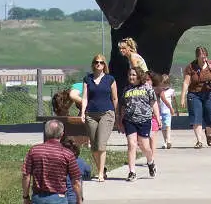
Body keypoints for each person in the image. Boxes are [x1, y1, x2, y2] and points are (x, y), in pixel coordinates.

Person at [21, 119, 83, 203]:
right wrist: (79, 200)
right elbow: (76, 182)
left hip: (38, 198)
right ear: (62, 134)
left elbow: (26, 176)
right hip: (59, 198)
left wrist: (26, 197)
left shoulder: (34, 151)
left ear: (46, 133)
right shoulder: (67, 154)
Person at [80, 54, 118, 182]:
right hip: (91, 114)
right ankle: (103, 169)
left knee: (101, 144)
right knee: (94, 146)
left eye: (101, 62)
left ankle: (101, 173)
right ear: (93, 64)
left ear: (104, 65)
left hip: (106, 113)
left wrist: (116, 114)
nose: (99, 64)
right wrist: (82, 113)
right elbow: (85, 97)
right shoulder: (87, 79)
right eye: (96, 62)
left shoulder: (110, 79)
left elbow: (115, 98)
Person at [118, 68, 159, 182]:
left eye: (134, 75)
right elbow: (122, 107)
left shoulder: (147, 87)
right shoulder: (126, 89)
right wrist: (120, 121)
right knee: (132, 144)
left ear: (139, 76)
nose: (131, 77)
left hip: (144, 120)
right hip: (129, 120)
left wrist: (157, 117)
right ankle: (132, 172)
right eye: (130, 75)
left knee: (144, 146)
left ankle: (150, 162)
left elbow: (153, 103)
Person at [180, 45, 211, 148]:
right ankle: (199, 141)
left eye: (205, 57)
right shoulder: (191, 67)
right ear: (197, 57)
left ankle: (208, 134)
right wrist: (182, 97)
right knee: (196, 117)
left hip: (209, 93)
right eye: (202, 57)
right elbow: (186, 82)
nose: (204, 59)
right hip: (194, 94)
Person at [60, 136, 91, 204]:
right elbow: (88, 172)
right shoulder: (81, 162)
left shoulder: (60, 162)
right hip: (75, 197)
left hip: (61, 197)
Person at [156, 73, 178, 149]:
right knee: (163, 128)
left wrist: (176, 110)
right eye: (163, 84)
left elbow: (174, 101)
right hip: (161, 112)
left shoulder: (171, 91)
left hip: (168, 111)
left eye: (166, 84)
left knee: (168, 126)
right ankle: (165, 141)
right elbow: (157, 101)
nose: (164, 86)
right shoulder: (159, 91)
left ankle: (169, 140)